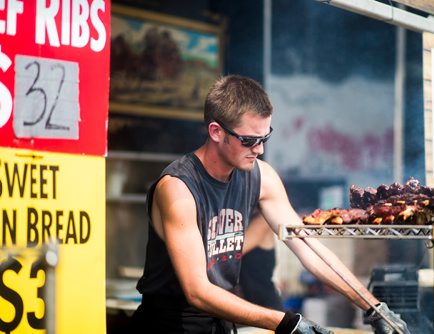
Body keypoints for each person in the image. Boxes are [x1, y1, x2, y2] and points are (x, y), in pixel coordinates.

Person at [129, 74, 410, 334]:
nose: (260, 149)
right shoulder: (179, 188)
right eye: (249, 140)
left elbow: (311, 250)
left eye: (265, 138)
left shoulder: (261, 177)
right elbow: (197, 291)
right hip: (165, 328)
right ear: (216, 131)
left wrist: (374, 308)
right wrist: (286, 322)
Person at [239, 210, 284, 311]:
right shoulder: (244, 221)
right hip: (247, 305)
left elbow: (233, 251)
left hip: (265, 306)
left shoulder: (262, 221)